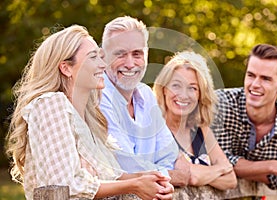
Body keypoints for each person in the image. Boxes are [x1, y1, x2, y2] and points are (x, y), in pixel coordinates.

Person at [5, 24, 174, 200]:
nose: (103, 64)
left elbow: (112, 176)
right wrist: (134, 185)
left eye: (101, 56)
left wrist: (152, 180)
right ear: (66, 68)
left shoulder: (88, 119)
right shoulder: (50, 104)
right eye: (93, 57)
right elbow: (67, 185)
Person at [100, 16, 190, 186]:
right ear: (103, 57)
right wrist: (173, 175)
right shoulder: (98, 95)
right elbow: (127, 168)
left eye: (137, 54)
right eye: (120, 54)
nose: (129, 63)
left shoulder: (146, 94)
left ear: (146, 55)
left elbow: (171, 155)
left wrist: (174, 172)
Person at [211, 44, 277, 190]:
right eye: (251, 75)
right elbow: (214, 162)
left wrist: (238, 168)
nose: (255, 84)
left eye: (265, 79)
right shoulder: (220, 105)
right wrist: (272, 166)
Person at [153, 51, 237, 190]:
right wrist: (220, 169)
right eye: (176, 85)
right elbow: (190, 176)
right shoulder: (157, 130)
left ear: (200, 94)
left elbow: (231, 179)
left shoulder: (201, 130)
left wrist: (200, 174)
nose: (183, 95)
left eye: (192, 88)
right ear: (164, 89)